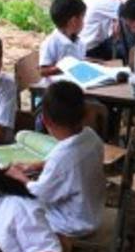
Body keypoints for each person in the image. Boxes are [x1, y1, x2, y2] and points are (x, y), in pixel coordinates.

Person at [8, 81, 105, 239]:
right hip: (92, 212)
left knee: (15, 206)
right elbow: (68, 166)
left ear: (46, 121)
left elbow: (38, 194)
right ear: (85, 113)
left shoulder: (63, 156)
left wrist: (20, 178)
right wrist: (36, 166)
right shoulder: (91, 137)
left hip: (71, 224)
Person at [38, 0, 86, 78]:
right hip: (58, 87)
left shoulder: (78, 41)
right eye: (82, 17)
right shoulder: (51, 42)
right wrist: (66, 67)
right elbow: (43, 71)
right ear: (74, 21)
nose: (84, 22)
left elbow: (80, 60)